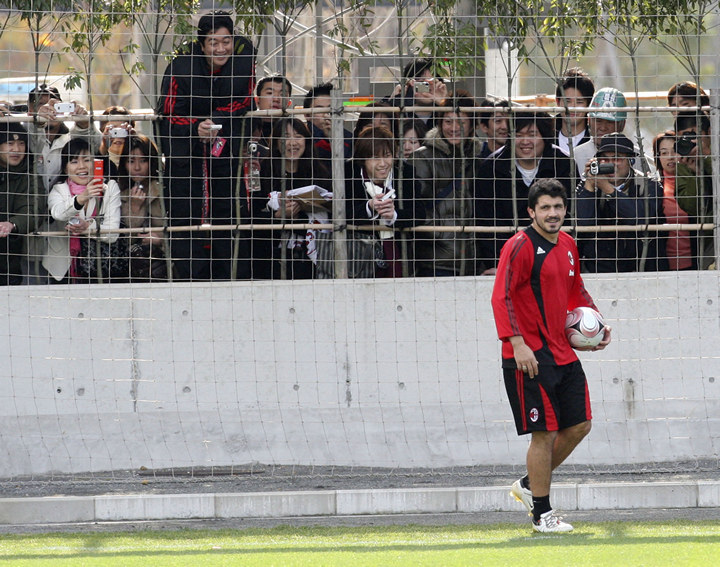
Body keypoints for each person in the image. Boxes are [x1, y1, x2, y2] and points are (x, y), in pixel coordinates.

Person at [491, 177, 611, 533]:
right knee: (543, 433)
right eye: (545, 207)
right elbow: (502, 297)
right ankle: (542, 514)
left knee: (580, 425)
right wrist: (517, 342)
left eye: (558, 207)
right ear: (531, 212)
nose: (553, 213)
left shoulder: (570, 245)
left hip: (563, 352)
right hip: (528, 355)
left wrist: (598, 326)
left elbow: (577, 291)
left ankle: (529, 485)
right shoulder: (519, 246)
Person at [156, 10, 256, 280]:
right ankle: (190, 277)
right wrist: (195, 128)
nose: (221, 48)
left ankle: (234, 277)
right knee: (185, 215)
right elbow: (167, 114)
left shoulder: (244, 60)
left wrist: (218, 118)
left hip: (228, 154)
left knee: (230, 214)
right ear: (202, 45)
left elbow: (245, 101)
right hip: (187, 158)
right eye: (214, 42)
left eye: (226, 41)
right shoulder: (181, 67)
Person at [475, 110, 578, 274]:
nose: (525, 141)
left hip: (554, 260)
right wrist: (500, 264)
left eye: (532, 134)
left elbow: (570, 215)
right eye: (518, 134)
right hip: (506, 260)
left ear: (544, 136)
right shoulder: (491, 167)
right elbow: (486, 221)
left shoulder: (563, 164)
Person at [409, 94, 482, 277]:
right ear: (440, 123)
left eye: (462, 122)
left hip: (473, 261)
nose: (454, 128)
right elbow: (413, 205)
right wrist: (439, 235)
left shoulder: (479, 158)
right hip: (436, 261)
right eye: (448, 121)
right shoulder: (422, 157)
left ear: (472, 125)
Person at [340, 125, 426, 278]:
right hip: (358, 256)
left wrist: (394, 216)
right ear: (363, 159)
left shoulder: (405, 173)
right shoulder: (348, 173)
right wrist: (370, 207)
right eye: (374, 157)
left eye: (387, 155)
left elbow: (419, 213)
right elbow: (340, 212)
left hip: (399, 250)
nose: (382, 163)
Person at [254, 117, 332, 279]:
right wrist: (277, 216)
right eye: (285, 137)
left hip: (313, 259)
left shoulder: (321, 173)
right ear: (275, 142)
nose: (292, 143)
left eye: (298, 136)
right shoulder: (264, 173)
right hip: (273, 260)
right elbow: (253, 217)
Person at [575, 133, 662, 272]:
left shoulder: (648, 185)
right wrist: (589, 186)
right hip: (597, 268)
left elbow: (639, 217)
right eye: (604, 159)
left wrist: (608, 189)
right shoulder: (590, 184)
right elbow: (582, 224)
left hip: (640, 267)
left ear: (631, 161)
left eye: (617, 158)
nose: (611, 164)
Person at [42, 138, 125, 283]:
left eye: (87, 160)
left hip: (101, 266)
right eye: (74, 162)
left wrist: (88, 227)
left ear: (95, 163)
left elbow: (112, 233)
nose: (81, 166)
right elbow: (58, 213)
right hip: (62, 269)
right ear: (65, 168)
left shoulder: (109, 187)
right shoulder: (58, 189)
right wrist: (83, 197)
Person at [117, 133, 170, 281]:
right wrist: (134, 208)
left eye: (143, 161)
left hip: (166, 266)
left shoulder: (166, 190)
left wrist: (160, 239)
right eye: (131, 161)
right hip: (130, 271)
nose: (137, 167)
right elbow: (123, 240)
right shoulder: (118, 192)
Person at [674, 111, 714, 269]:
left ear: (709, 132)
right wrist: (696, 171)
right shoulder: (683, 163)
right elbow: (691, 206)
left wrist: (708, 157)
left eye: (694, 134)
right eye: (684, 136)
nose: (690, 141)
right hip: (709, 240)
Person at [0, 122, 35, 285]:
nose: (16, 149)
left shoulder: (29, 174)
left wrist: (13, 224)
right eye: (10, 143)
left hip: (10, 260)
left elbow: (33, 210)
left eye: (21, 143)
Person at [654, 130, 692, 270]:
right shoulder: (652, 187)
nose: (670, 157)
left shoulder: (694, 182)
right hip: (663, 265)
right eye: (664, 153)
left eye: (674, 151)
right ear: (657, 157)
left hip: (696, 261)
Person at [571, 87, 628, 172]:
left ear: (622, 124)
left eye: (610, 122)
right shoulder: (576, 156)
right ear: (589, 120)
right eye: (598, 121)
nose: (603, 127)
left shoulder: (635, 156)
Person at [384, 57, 449, 125]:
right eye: (420, 81)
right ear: (409, 84)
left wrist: (445, 104)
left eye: (432, 81)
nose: (426, 86)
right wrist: (393, 102)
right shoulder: (399, 110)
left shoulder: (446, 110)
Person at [302, 82, 353, 162]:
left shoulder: (350, 139)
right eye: (320, 109)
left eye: (331, 109)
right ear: (307, 115)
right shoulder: (301, 139)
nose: (326, 114)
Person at [554, 68, 594, 155]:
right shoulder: (544, 135)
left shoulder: (595, 139)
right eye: (567, 101)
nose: (572, 107)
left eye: (579, 102)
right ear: (557, 101)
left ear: (589, 105)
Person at [251, 74, 292, 147]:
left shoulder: (292, 129)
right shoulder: (246, 127)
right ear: (257, 100)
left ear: (289, 103)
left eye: (282, 94)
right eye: (270, 93)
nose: (276, 99)